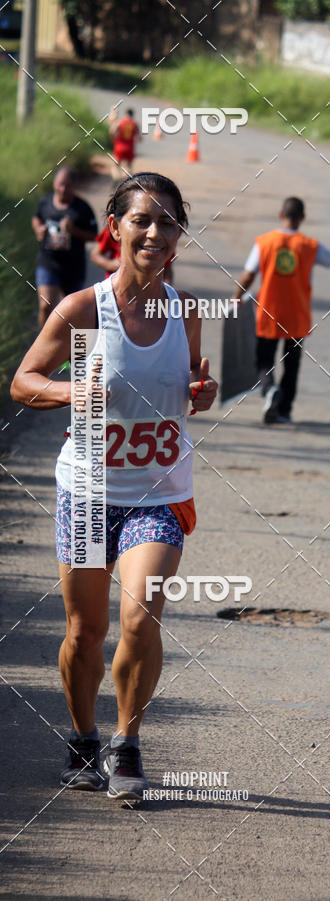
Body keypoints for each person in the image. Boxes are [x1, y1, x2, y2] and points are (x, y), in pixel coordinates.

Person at [12, 173, 218, 801]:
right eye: (142, 221)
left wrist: (200, 395)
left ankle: (128, 743)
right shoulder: (82, 310)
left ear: (180, 236)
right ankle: (83, 739)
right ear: (116, 229)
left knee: (140, 616)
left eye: (168, 223)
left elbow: (189, 393)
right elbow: (23, 382)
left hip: (157, 490)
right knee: (84, 631)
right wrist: (73, 390)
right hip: (90, 487)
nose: (155, 233)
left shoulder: (186, 312)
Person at [231, 196, 330, 423]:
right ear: (302, 218)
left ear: (281, 215)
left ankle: (269, 391)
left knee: (263, 361)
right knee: (292, 366)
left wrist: (236, 298)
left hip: (269, 313)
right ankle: (284, 411)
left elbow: (249, 274)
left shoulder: (264, 242)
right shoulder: (310, 246)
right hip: (297, 317)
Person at [32, 166, 98, 330]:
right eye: (60, 184)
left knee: (73, 313)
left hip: (73, 267)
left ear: (74, 186)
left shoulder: (82, 209)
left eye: (67, 185)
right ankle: (44, 344)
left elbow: (94, 235)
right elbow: (36, 218)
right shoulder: (46, 202)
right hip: (48, 263)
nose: (62, 189)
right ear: (54, 183)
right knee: (46, 306)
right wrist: (39, 230)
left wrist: (73, 231)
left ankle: (75, 353)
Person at [91, 223, 174, 283]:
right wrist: (111, 264)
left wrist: (167, 289)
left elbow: (166, 267)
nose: (153, 234)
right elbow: (95, 254)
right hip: (115, 288)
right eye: (139, 221)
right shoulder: (115, 230)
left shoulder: (161, 241)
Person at [110, 107, 140, 182]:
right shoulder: (135, 124)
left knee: (116, 166)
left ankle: (116, 180)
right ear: (132, 115)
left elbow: (112, 131)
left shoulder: (120, 122)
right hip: (129, 147)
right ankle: (126, 181)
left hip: (119, 147)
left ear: (126, 114)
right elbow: (138, 137)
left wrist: (113, 139)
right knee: (128, 167)